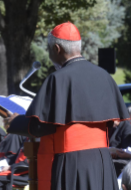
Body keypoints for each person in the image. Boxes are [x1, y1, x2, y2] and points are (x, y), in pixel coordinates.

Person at [8, 22, 130, 190]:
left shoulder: (57, 79)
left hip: (72, 161)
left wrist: (14, 122)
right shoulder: (104, 76)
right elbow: (113, 122)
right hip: (102, 160)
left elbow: (40, 126)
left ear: (57, 48)